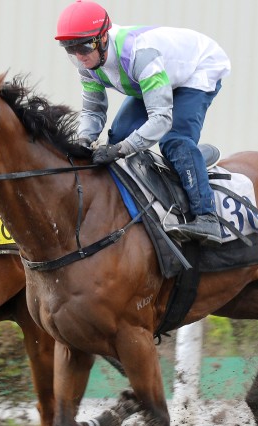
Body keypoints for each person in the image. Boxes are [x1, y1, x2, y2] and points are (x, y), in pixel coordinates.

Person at [55, 0, 231, 245]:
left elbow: (161, 119)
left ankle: (207, 217)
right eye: (70, 49)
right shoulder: (87, 65)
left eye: (83, 48)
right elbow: (93, 111)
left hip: (197, 70)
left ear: (103, 38)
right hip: (156, 78)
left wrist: (122, 149)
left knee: (174, 141)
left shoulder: (138, 54)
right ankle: (186, 164)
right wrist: (85, 139)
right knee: (116, 138)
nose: (79, 57)